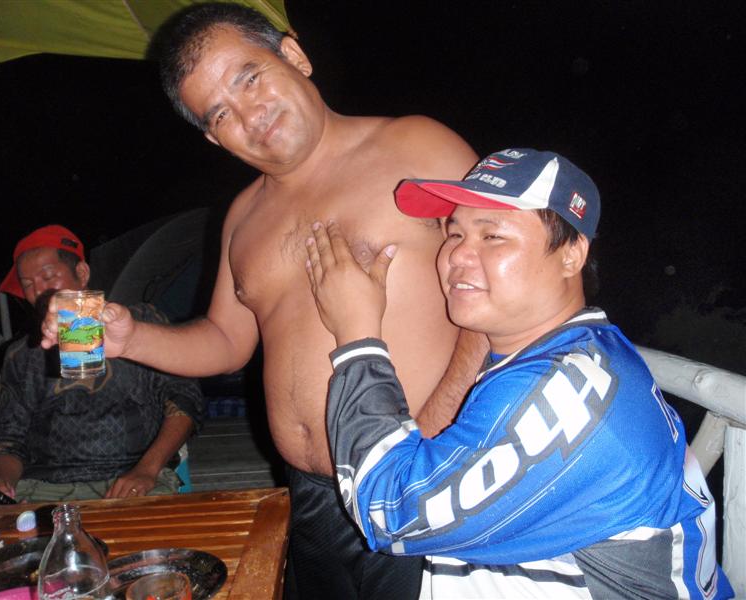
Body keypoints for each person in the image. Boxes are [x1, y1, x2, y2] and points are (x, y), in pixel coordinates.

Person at [39, 4, 487, 598]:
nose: (250, 115)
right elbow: (226, 342)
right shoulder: (242, 217)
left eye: (250, 77)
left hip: (421, 471)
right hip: (309, 494)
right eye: (221, 113)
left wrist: (442, 424)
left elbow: (500, 290)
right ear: (211, 136)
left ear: (294, 55)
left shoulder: (418, 146)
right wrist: (129, 337)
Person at [305, 149, 734, 599]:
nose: (457, 255)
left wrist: (356, 334)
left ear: (571, 255)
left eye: (492, 236)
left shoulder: (567, 392)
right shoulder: (572, 353)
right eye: (454, 233)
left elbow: (389, 511)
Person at [0, 224, 204, 502]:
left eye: (48, 276)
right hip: (45, 487)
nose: (38, 291)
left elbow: (185, 399)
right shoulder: (22, 354)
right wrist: (1, 482)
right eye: (27, 284)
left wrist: (147, 470)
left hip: (135, 477)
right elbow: (5, 440)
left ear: (82, 273)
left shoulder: (141, 323)